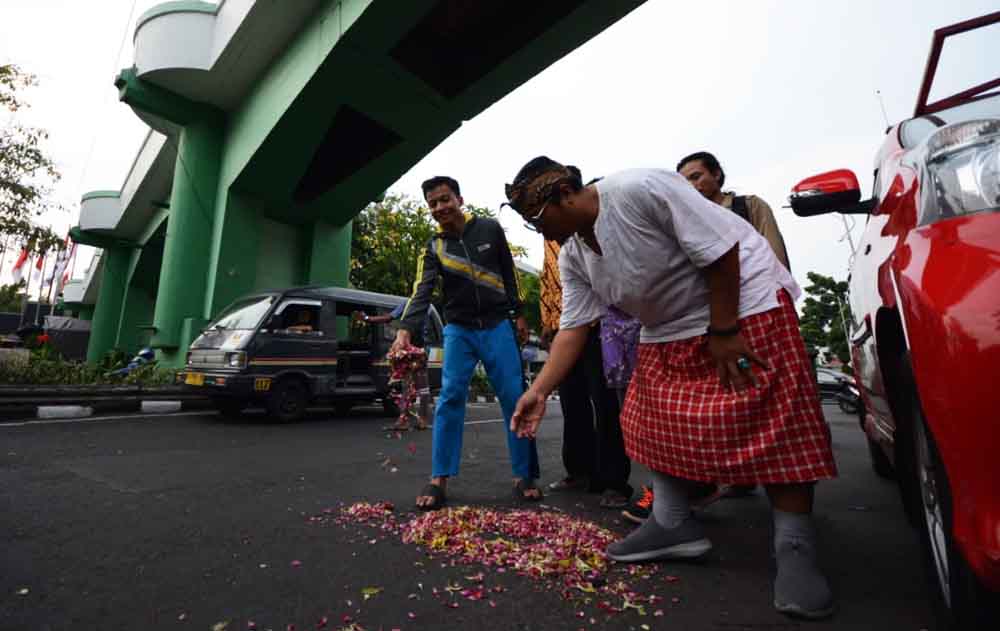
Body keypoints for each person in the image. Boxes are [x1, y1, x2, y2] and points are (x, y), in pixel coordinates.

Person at [505, 157, 837, 620]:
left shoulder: (638, 189)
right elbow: (574, 328)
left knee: (774, 424)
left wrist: (724, 332)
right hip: (667, 326)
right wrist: (539, 390)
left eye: (539, 220)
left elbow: (722, 252)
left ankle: (795, 545)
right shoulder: (575, 253)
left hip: (743, 306)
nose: (541, 233)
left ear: (564, 192)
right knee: (649, 419)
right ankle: (672, 522)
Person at [624, 151, 795, 523]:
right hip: (702, 319)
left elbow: (770, 254)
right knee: (707, 409)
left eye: (698, 176)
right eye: (684, 179)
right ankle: (692, 493)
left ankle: (787, 516)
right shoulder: (678, 213)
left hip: (754, 308)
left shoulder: (749, 207)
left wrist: (772, 309)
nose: (692, 184)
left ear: (718, 175)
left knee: (758, 398)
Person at [393, 175, 540, 511]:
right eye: (433, 203)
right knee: (450, 398)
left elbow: (508, 272)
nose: (440, 207)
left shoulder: (489, 229)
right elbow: (422, 291)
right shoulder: (433, 247)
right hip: (458, 329)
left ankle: (525, 474)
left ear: (459, 199)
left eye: (445, 199)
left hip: (497, 324)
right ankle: (438, 479)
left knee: (514, 397)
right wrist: (405, 330)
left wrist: (517, 313)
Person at [539, 221, 632, 508]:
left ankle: (614, 481)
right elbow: (548, 278)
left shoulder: (595, 231)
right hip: (563, 329)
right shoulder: (550, 234)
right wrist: (547, 321)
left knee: (606, 404)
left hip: (598, 327)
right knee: (572, 403)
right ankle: (579, 471)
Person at [353, 305, 432, 430]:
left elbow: (418, 325)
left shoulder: (425, 304)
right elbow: (388, 317)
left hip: (419, 348)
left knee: (422, 387)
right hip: (405, 349)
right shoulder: (407, 303)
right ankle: (403, 420)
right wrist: (367, 318)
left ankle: (423, 420)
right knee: (406, 386)